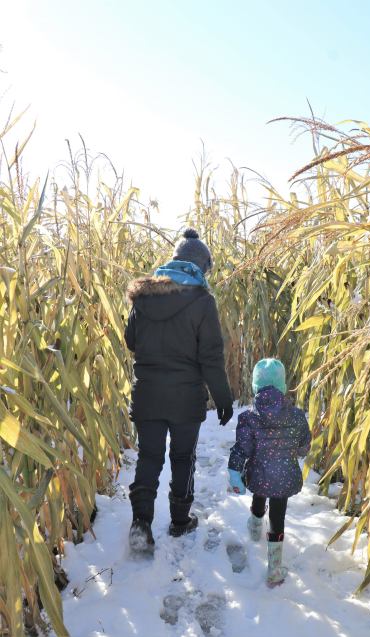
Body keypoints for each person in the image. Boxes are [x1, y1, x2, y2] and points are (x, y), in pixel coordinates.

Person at [124, 228, 233, 556]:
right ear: (199, 266)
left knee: (149, 456)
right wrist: (223, 399)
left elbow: (131, 340)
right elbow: (211, 357)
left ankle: (141, 524)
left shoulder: (144, 297)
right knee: (183, 457)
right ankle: (181, 519)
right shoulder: (202, 301)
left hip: (148, 393)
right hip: (186, 397)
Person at [227, 358, 311, 587]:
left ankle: (255, 527)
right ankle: (274, 567)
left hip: (259, 474)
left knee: (260, 493)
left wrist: (234, 471)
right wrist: (294, 449)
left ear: (256, 386)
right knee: (277, 515)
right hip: (285, 476)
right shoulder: (297, 416)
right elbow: (304, 446)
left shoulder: (248, 418)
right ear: (282, 386)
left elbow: (242, 449)